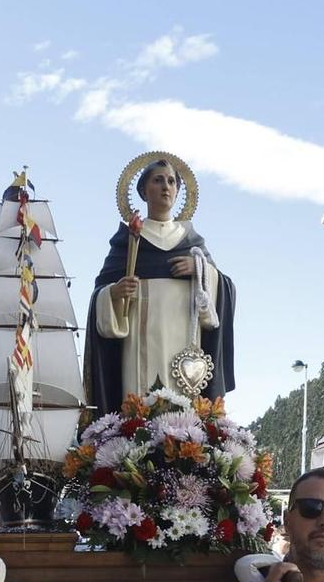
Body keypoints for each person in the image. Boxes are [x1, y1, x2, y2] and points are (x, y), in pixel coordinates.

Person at [84, 154, 237, 419]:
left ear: (178, 191)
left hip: (185, 346)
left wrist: (199, 270)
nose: (166, 186)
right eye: (158, 180)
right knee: (139, 408)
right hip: (139, 346)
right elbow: (100, 292)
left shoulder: (192, 243)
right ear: (144, 190)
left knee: (186, 413)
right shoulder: (129, 240)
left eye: (171, 181)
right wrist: (114, 294)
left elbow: (226, 290)